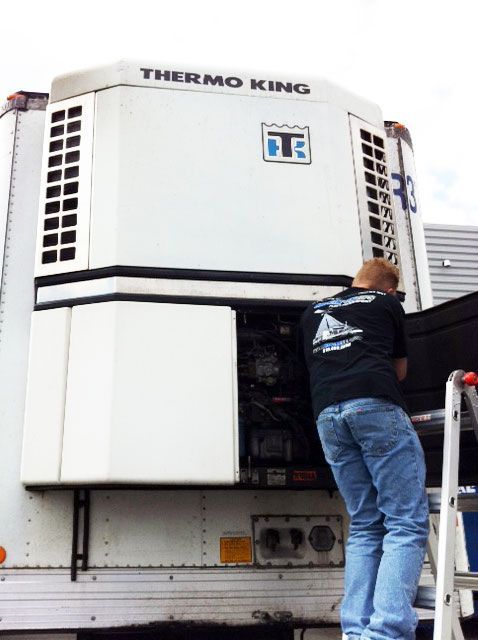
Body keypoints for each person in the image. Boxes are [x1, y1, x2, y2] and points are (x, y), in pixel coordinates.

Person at [300, 257, 429, 640]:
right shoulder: (386, 304)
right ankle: (387, 631)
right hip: (374, 405)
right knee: (405, 521)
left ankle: (355, 631)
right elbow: (400, 371)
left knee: (365, 525)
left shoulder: (312, 313)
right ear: (388, 289)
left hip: (328, 416)